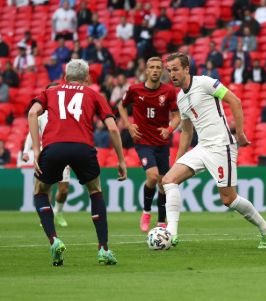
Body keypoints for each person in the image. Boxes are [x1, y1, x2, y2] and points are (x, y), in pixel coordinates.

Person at [163, 53, 266, 248]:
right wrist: (178, 161)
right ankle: (171, 233)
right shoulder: (181, 98)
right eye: (169, 70)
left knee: (228, 199)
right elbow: (187, 134)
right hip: (202, 147)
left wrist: (239, 133)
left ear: (186, 69)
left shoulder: (206, 83)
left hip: (221, 146)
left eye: (175, 69)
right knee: (168, 180)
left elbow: (235, 101)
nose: (172, 74)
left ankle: (265, 228)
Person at [28, 59, 127, 266]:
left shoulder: (50, 92)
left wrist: (37, 150)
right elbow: (113, 128)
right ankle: (103, 249)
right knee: (95, 191)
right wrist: (120, 160)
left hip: (54, 147)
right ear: (87, 78)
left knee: (40, 192)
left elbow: (32, 113)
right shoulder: (94, 94)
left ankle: (54, 240)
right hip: (83, 148)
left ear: (64, 77)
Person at [118, 57, 180, 232]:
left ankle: (161, 222)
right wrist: (128, 125)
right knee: (152, 177)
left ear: (162, 71)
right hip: (143, 141)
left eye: (158, 68)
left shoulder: (169, 91)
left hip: (162, 142)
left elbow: (177, 116)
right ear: (146, 70)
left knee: (163, 183)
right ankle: (146, 212)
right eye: (151, 67)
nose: (155, 70)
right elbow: (121, 106)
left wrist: (169, 129)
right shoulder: (134, 89)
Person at [22, 83, 71, 227]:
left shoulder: (65, 112)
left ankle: (58, 212)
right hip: (46, 154)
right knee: (45, 187)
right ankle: (46, 216)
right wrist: (26, 150)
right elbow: (32, 133)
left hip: (64, 153)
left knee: (63, 190)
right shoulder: (41, 114)